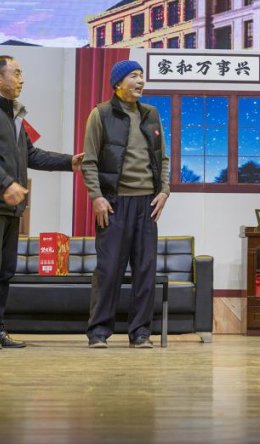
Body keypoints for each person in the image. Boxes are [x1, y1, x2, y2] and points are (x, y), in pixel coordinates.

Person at [0, 56, 84, 349]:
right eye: (17, 73)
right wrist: (6, 183)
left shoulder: (14, 114)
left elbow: (31, 155)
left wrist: (69, 162)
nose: (22, 79)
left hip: (11, 207)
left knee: (5, 270)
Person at [81, 60, 170, 349]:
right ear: (118, 83)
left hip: (147, 203)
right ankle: (98, 332)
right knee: (108, 270)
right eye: (133, 76)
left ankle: (141, 333)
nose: (140, 81)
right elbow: (90, 161)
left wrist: (164, 191)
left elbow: (162, 157)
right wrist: (97, 196)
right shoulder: (100, 114)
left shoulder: (151, 114)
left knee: (145, 270)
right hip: (114, 203)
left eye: (142, 76)